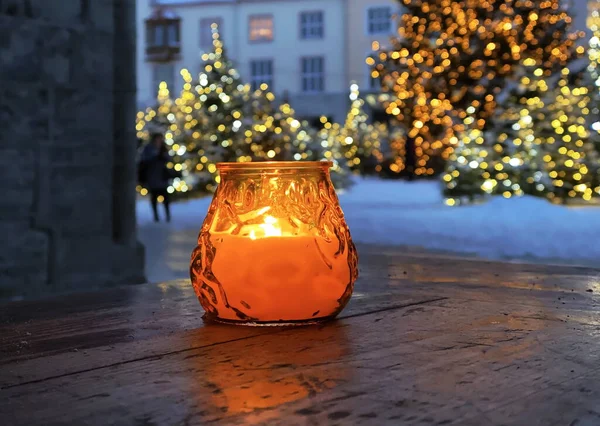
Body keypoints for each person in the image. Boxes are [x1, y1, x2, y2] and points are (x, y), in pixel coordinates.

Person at [141, 133, 171, 222]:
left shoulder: (163, 148)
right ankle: (156, 216)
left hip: (162, 176)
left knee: (165, 197)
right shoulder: (149, 148)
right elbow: (145, 159)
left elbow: (168, 158)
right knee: (154, 196)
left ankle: (167, 215)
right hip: (152, 175)